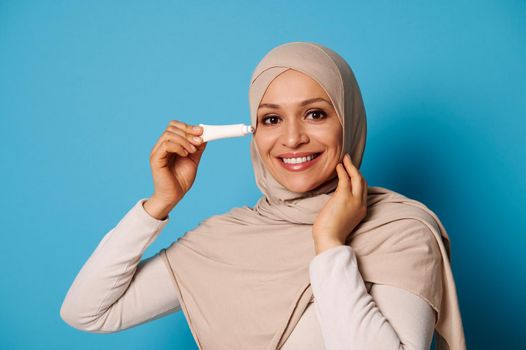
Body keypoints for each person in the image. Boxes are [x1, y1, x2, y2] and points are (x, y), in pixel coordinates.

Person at [60, 42, 466, 350]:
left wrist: (328, 245)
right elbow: (87, 312)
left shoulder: (400, 231)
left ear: (349, 119)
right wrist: (158, 205)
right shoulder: (226, 239)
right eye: (271, 119)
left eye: (315, 114)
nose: (292, 138)